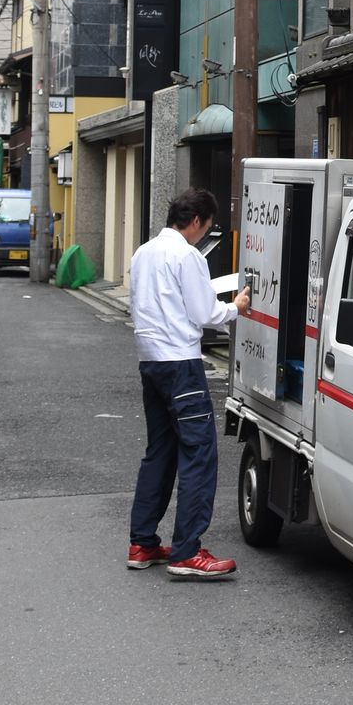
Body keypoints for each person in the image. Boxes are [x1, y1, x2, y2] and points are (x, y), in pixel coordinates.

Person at [127, 187, 250, 580]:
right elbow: (204, 312)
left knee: (159, 452)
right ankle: (186, 551)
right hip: (181, 364)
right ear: (196, 221)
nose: (205, 232)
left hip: (151, 362)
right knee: (199, 453)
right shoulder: (187, 255)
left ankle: (143, 541)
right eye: (207, 225)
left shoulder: (143, 253)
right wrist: (236, 308)